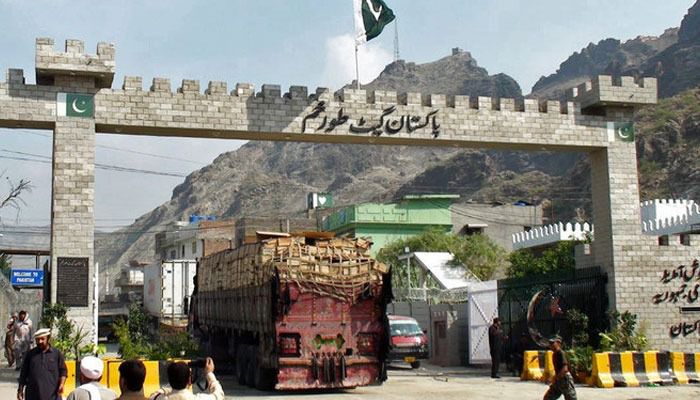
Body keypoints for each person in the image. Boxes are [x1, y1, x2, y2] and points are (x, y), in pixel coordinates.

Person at [17, 328, 67, 400]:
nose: (40, 341)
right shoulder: (30, 354)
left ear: (48, 339)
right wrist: (20, 390)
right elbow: (23, 374)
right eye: (37, 340)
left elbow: (63, 371)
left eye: (42, 339)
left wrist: (61, 385)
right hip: (33, 396)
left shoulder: (56, 354)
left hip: (52, 396)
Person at [149, 357, 224, 400]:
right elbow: (219, 395)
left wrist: (175, 378)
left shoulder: (158, 398)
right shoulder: (197, 398)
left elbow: (155, 394)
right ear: (189, 380)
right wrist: (209, 373)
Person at [543, 335, 577, 400]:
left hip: (565, 379)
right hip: (559, 380)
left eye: (552, 343)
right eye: (550, 343)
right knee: (548, 398)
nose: (550, 345)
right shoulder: (554, 354)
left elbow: (565, 369)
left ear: (558, 343)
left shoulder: (561, 353)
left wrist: (555, 378)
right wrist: (554, 378)